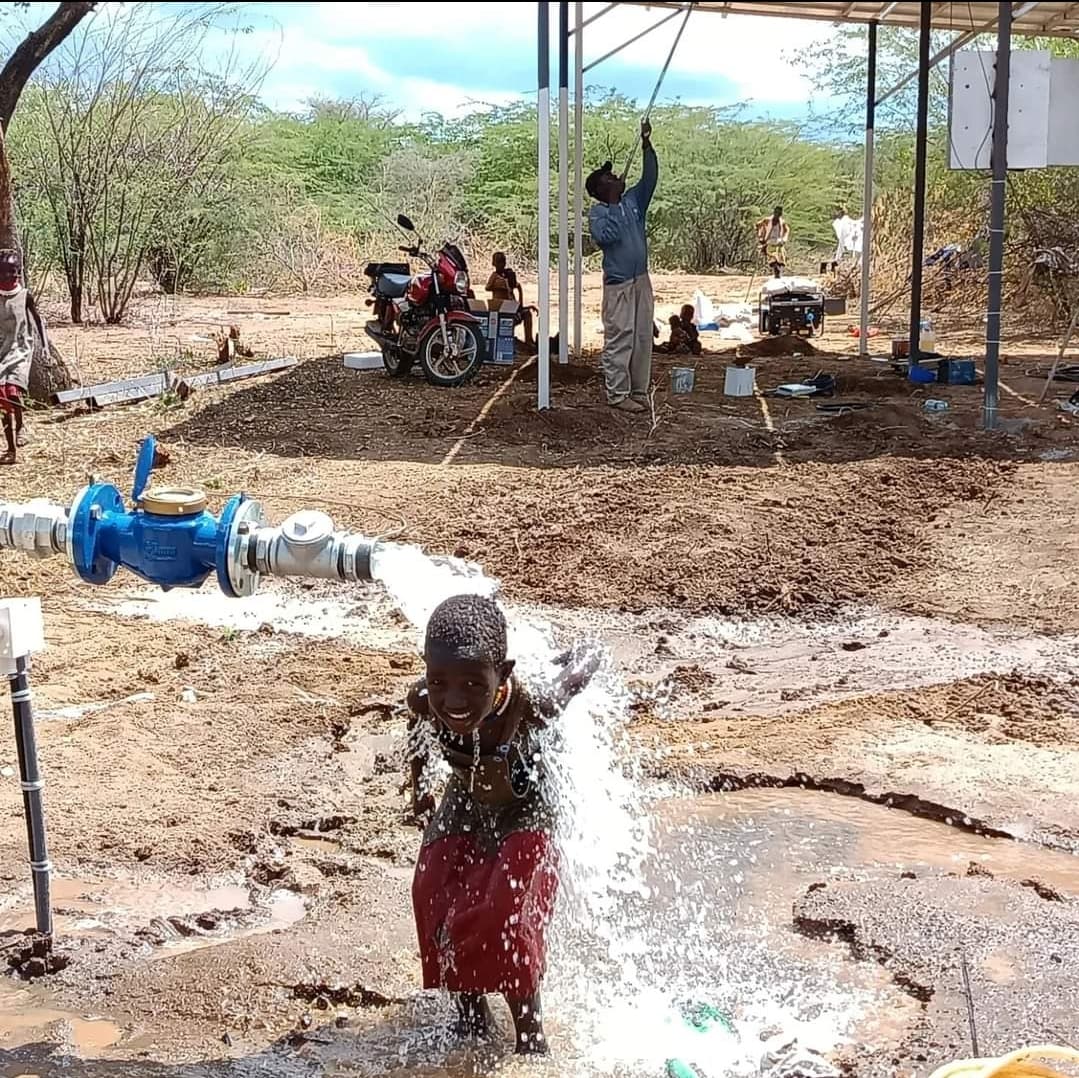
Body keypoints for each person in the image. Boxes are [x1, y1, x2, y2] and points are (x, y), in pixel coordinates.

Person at [407, 595, 597, 1055]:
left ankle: (530, 1035)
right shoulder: (424, 700)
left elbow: (579, 672)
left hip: (528, 805)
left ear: (503, 675)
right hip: (466, 799)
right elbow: (416, 735)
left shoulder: (533, 706)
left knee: (504, 914)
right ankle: (471, 1017)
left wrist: (585, 653)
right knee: (432, 891)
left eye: (474, 684)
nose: (454, 700)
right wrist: (419, 792)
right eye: (439, 682)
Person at [587, 119, 658, 413]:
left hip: (641, 280)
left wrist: (646, 145)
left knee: (642, 336)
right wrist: (615, 204)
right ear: (600, 189)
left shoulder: (633, 201)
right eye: (609, 177)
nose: (615, 176)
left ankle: (638, 390)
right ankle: (617, 394)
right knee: (620, 337)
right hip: (619, 285)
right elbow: (608, 237)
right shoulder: (599, 213)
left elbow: (650, 178)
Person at [0, 248, 32, 465]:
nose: (9, 275)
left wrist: (44, 346)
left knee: (13, 392)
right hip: (1, 352)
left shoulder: (24, 295)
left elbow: (37, 321)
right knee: (2, 400)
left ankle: (21, 425)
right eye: (4, 271)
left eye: (13, 271)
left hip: (20, 350)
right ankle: (10, 449)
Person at [486, 252, 536, 353]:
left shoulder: (509, 274)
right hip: (501, 309)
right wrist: (499, 286)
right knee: (508, 319)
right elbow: (487, 287)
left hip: (512, 307)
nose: (501, 265)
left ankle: (529, 341)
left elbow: (518, 286)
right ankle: (508, 343)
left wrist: (520, 304)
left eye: (502, 262)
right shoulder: (495, 276)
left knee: (527, 314)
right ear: (494, 263)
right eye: (498, 262)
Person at [756, 207, 789, 277]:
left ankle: (778, 274)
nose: (777, 215)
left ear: (781, 214)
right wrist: (760, 236)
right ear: (774, 212)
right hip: (769, 242)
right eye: (776, 213)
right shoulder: (767, 220)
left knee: (781, 260)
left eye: (779, 213)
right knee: (772, 259)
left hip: (779, 243)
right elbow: (758, 225)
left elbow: (787, 230)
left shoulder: (782, 222)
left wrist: (784, 239)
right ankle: (776, 272)